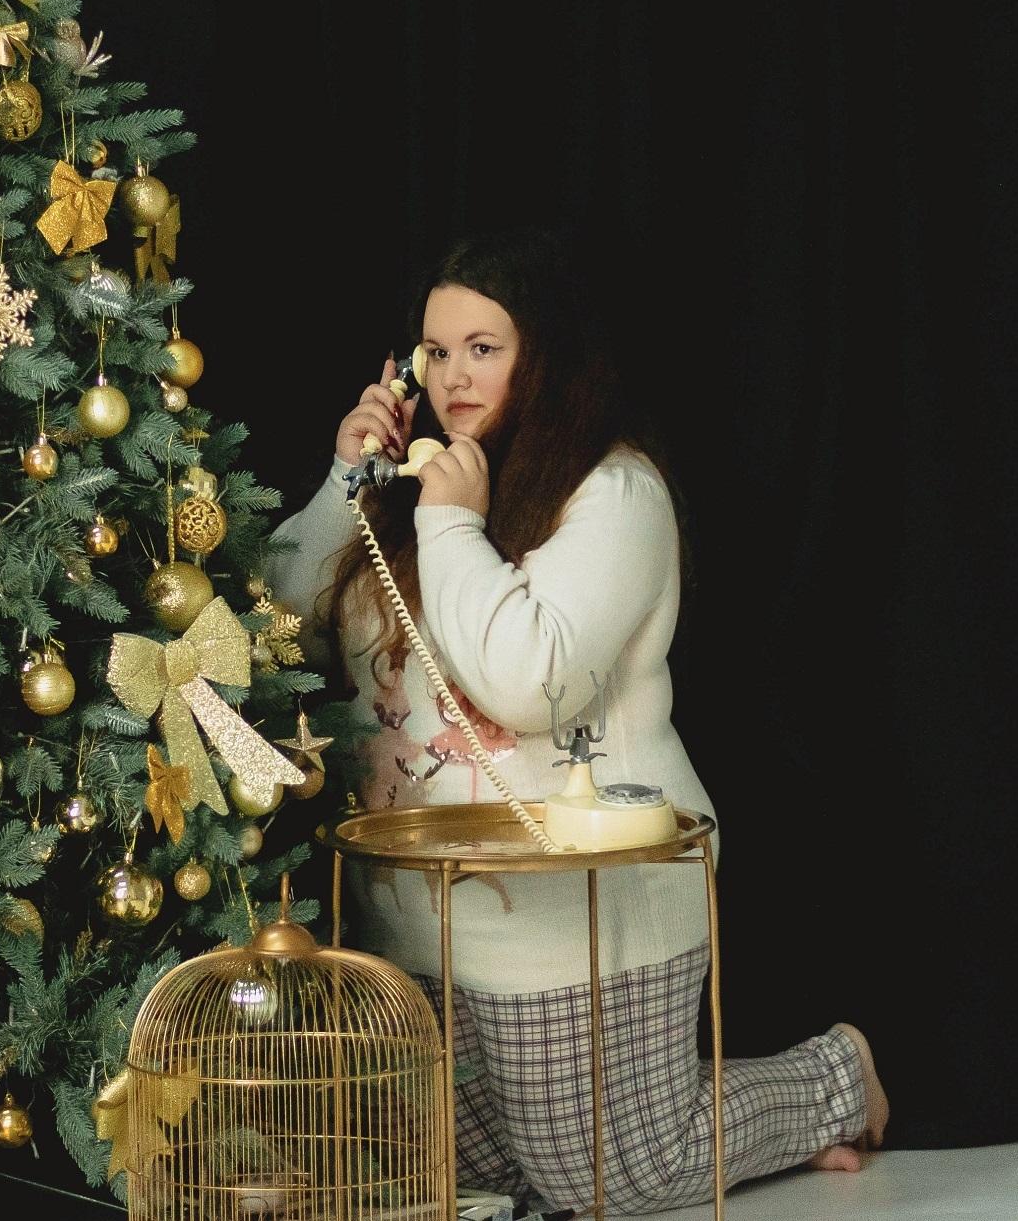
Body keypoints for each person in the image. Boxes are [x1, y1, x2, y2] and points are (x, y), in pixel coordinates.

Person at [265, 229, 888, 1213]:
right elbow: (279, 632)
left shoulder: (612, 491)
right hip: (417, 915)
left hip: (579, 908)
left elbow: (529, 683)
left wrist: (451, 522)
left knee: (603, 1177)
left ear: (543, 356)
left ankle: (835, 1079)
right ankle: (656, 1109)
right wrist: (347, 482)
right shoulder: (408, 486)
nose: (452, 376)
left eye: (483, 348)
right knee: (472, 1175)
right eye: (435, 350)